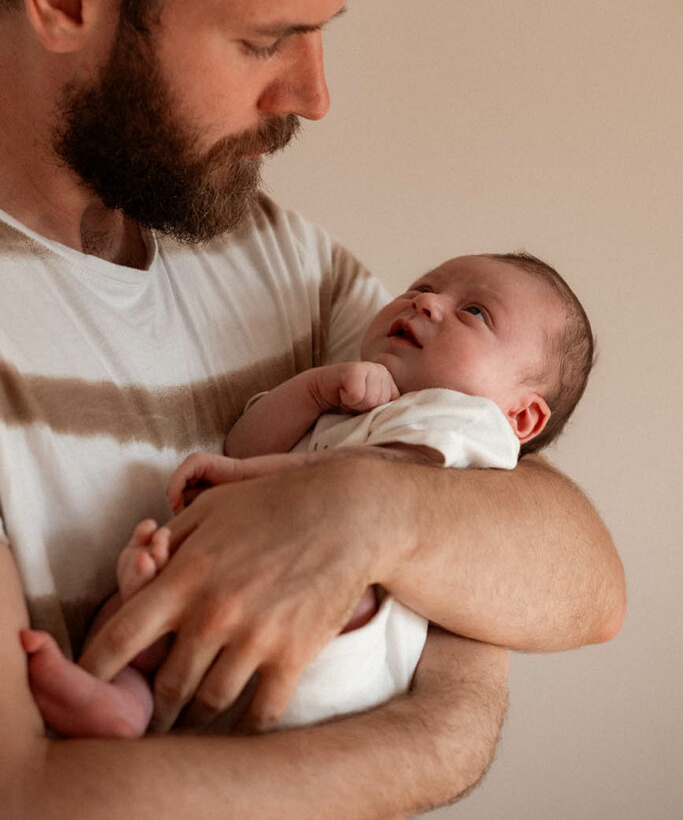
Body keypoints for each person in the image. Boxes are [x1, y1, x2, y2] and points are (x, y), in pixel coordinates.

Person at [0, 0, 625, 818]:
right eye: (264, 39)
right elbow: (31, 795)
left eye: (320, 34)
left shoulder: (264, 249)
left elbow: (579, 578)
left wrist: (358, 508)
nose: (313, 93)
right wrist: (438, 727)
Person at [23, 250, 596, 739]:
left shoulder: (469, 422)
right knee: (154, 586)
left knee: (341, 579)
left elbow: (375, 485)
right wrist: (314, 390)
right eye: (421, 287)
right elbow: (245, 443)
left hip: (338, 635)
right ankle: (122, 699)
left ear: (522, 415)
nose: (426, 303)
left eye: (474, 312)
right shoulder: (358, 395)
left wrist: (240, 478)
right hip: (245, 601)